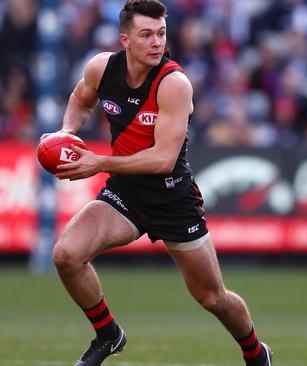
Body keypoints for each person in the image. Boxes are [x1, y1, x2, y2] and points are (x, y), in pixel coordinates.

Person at [48, 1, 272, 365]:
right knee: (66, 255)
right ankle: (108, 333)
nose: (157, 42)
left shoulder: (174, 83)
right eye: (147, 35)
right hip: (125, 191)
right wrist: (66, 132)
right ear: (125, 40)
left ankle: (256, 353)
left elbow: (163, 159)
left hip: (172, 197)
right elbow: (79, 99)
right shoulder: (102, 68)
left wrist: (99, 162)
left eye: (162, 34)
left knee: (212, 297)